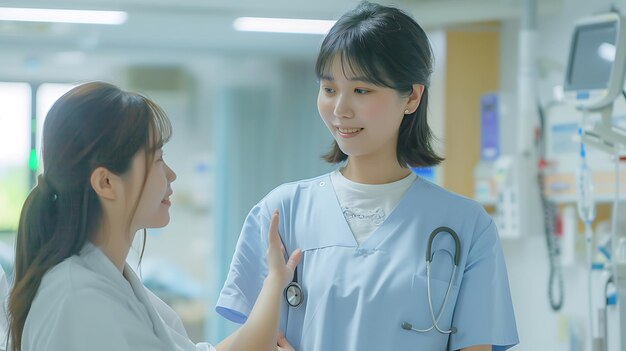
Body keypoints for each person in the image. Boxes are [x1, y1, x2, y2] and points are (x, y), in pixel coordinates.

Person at [216, 2, 519, 350]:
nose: (340, 109)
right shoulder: (281, 213)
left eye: (361, 90)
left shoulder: (466, 227)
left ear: (412, 97)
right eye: (329, 89)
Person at [7, 82, 301, 351]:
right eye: (158, 159)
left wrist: (274, 280)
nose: (171, 175)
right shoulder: (78, 300)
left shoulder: (110, 283)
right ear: (106, 182)